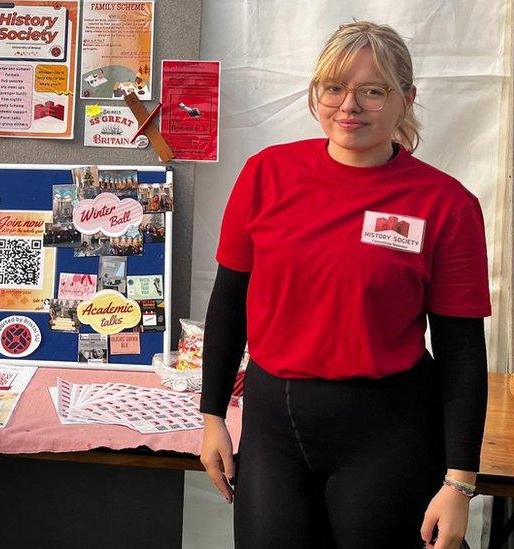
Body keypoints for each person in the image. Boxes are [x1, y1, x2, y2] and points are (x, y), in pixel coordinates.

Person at [199, 22, 490, 549]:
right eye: (334, 87)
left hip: (386, 432)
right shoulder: (266, 175)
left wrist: (460, 482)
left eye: (373, 90)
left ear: (407, 98)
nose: (349, 105)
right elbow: (229, 301)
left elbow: (462, 352)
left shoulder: (446, 205)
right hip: (272, 429)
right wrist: (213, 415)